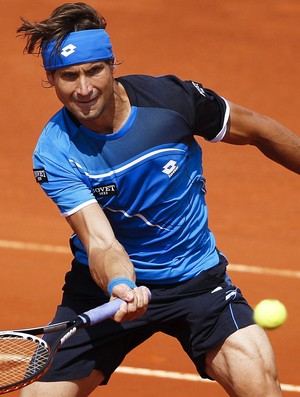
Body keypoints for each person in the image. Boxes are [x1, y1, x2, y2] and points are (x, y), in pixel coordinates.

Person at [17, 2, 299, 397]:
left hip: (197, 282)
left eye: (94, 70)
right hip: (108, 292)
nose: (84, 88)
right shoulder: (55, 152)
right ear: (52, 78)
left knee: (260, 387)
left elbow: (259, 132)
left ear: (113, 64)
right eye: (68, 76)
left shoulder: (171, 101)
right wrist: (119, 284)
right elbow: (100, 241)